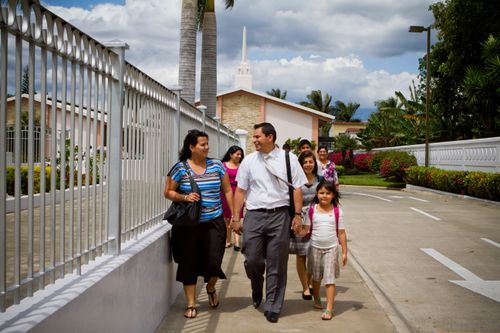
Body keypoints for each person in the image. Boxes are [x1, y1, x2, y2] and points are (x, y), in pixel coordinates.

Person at [232, 122, 307, 323]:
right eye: (254, 137)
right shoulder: (248, 161)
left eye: (257, 137)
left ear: (270, 137)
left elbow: (297, 188)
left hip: (280, 216)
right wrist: (236, 217)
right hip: (254, 215)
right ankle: (257, 286)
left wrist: (298, 215)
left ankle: (273, 305)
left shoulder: (289, 159)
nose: (254, 140)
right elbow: (240, 190)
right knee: (253, 259)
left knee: (277, 262)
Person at [164, 129, 234, 319]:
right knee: (189, 262)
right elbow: (168, 192)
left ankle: (210, 287)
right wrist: (184, 197)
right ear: (191, 147)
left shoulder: (217, 166)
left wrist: (234, 215)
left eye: (207, 143)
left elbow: (227, 190)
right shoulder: (180, 169)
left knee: (214, 260)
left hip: (214, 222)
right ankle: (191, 302)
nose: (207, 147)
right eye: (202, 144)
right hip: (189, 225)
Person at [305, 180, 347, 320]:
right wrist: (298, 229)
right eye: (321, 193)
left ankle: (329, 309)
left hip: (332, 248)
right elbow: (306, 229)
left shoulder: (337, 211)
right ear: (317, 194)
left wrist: (345, 252)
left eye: (328, 193)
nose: (324, 196)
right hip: (315, 247)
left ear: (333, 195)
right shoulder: (312, 210)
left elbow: (341, 232)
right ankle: (316, 298)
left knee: (329, 279)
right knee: (316, 277)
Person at [290, 150, 322, 301]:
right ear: (300, 165)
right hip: (301, 222)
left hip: (317, 222)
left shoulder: (321, 181)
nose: (308, 165)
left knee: (314, 256)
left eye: (311, 162)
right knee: (301, 255)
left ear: (315, 164)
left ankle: (309, 281)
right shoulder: (295, 181)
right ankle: (305, 287)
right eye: (305, 162)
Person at [220, 145, 245, 251]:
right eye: (237, 154)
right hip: (225, 194)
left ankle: (237, 242)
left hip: (238, 193)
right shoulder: (223, 165)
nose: (239, 156)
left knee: (236, 215)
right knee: (226, 218)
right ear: (231, 154)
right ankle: (228, 240)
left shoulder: (243, 166)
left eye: (240, 154)